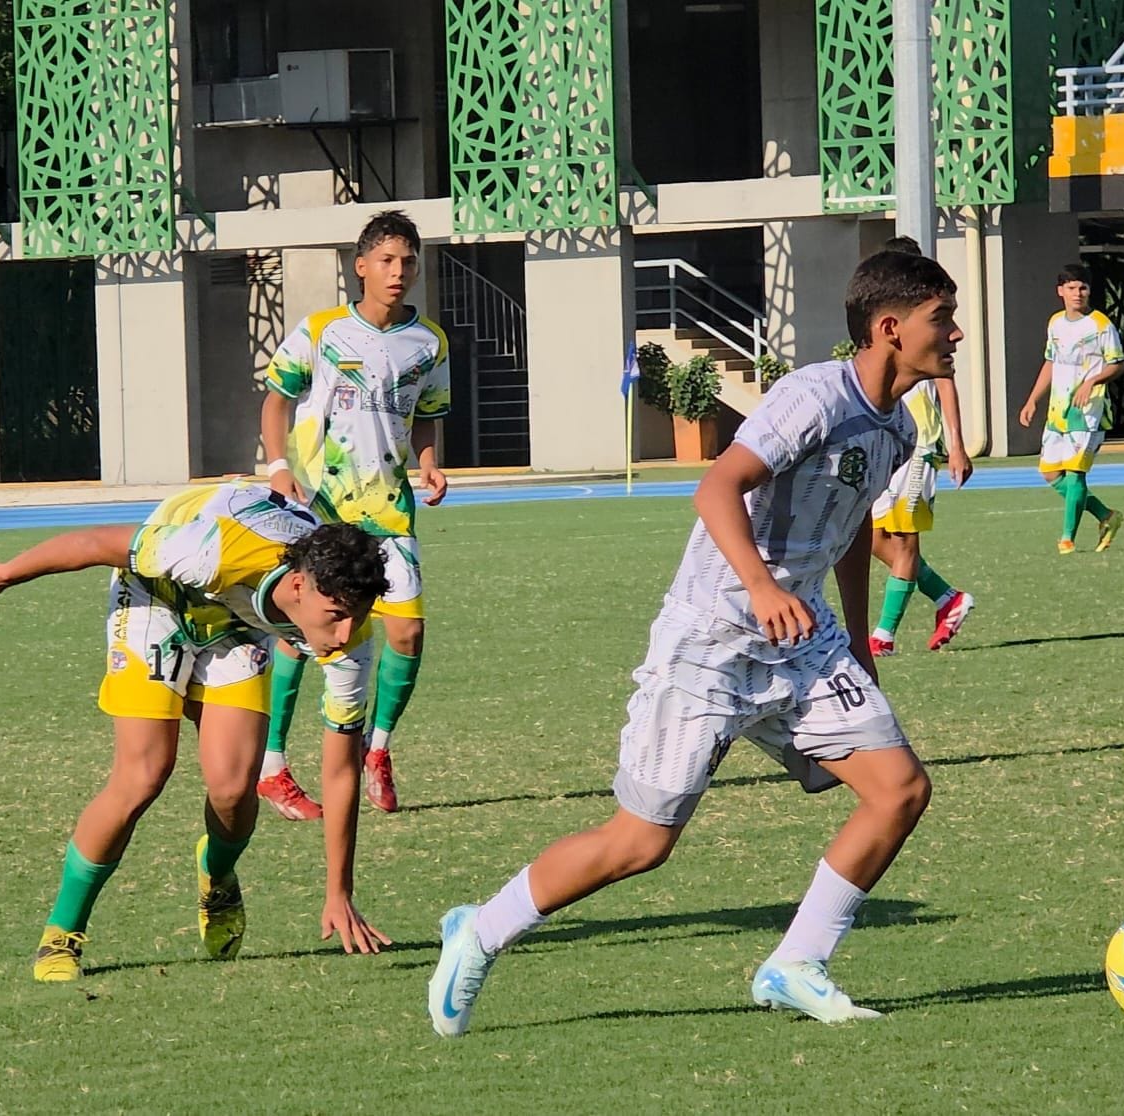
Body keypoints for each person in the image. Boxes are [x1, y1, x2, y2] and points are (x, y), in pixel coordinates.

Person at [425, 249, 961, 1037]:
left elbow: (851, 526)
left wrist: (854, 633)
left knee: (900, 791)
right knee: (641, 843)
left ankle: (796, 964)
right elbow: (715, 486)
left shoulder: (896, 428)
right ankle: (481, 929)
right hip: (712, 638)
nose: (954, 334)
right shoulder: (813, 396)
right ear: (889, 328)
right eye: (940, 319)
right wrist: (762, 586)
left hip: (803, 641)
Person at [0, 481, 394, 981]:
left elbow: (339, 771)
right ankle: (61, 934)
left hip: (235, 625)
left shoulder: (352, 638)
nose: (340, 638)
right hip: (158, 603)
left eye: (356, 619)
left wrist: (339, 893)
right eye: (333, 618)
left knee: (231, 787)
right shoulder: (212, 549)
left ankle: (218, 876)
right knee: (143, 775)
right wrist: (5, 574)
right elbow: (96, 545)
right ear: (298, 587)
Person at [259, 209, 451, 817]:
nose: (399, 272)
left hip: (390, 513)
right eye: (387, 261)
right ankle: (273, 764)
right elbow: (275, 401)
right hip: (319, 509)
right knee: (299, 637)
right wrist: (277, 466)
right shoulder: (320, 331)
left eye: (409, 262)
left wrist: (429, 464)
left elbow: (428, 413)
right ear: (360, 267)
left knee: (408, 632)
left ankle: (379, 749)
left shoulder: (431, 342)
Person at [865, 236, 975, 657]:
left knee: (906, 544)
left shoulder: (929, 322)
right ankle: (948, 598)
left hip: (919, 445)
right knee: (873, 535)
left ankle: (883, 635)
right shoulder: (885, 316)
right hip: (886, 440)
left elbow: (945, 382)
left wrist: (957, 446)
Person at [1019, 263, 1124, 554]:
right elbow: (1051, 362)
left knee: (1076, 473)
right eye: (1071, 288)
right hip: (1058, 411)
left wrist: (1091, 381)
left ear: (1089, 291)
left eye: (1082, 287)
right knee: (1050, 473)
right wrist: (1033, 399)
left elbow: (1117, 363)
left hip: (1088, 412)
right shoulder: (1055, 323)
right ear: (1060, 292)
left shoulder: (1101, 324)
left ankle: (1067, 538)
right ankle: (1106, 515)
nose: (1077, 293)